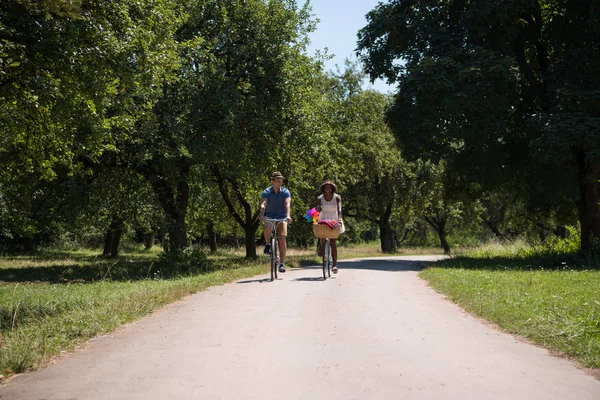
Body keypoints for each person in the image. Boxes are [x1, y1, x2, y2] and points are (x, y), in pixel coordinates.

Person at [259, 171, 293, 273]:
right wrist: (262, 213)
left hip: (282, 217)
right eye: (278, 180)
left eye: (281, 180)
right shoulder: (266, 192)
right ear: (272, 181)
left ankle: (282, 263)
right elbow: (263, 203)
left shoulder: (285, 192)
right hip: (270, 216)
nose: (280, 182)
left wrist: (288, 216)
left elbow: (287, 204)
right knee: (267, 228)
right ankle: (268, 243)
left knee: (282, 239)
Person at [316, 179, 343, 273]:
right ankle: (321, 248)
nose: (328, 189)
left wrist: (339, 219)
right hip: (323, 218)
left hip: (334, 219)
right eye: (326, 187)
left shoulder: (337, 197)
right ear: (323, 189)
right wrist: (314, 217)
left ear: (332, 189)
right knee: (322, 236)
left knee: (333, 242)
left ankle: (334, 265)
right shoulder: (320, 198)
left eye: (330, 187)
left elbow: (339, 209)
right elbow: (317, 209)